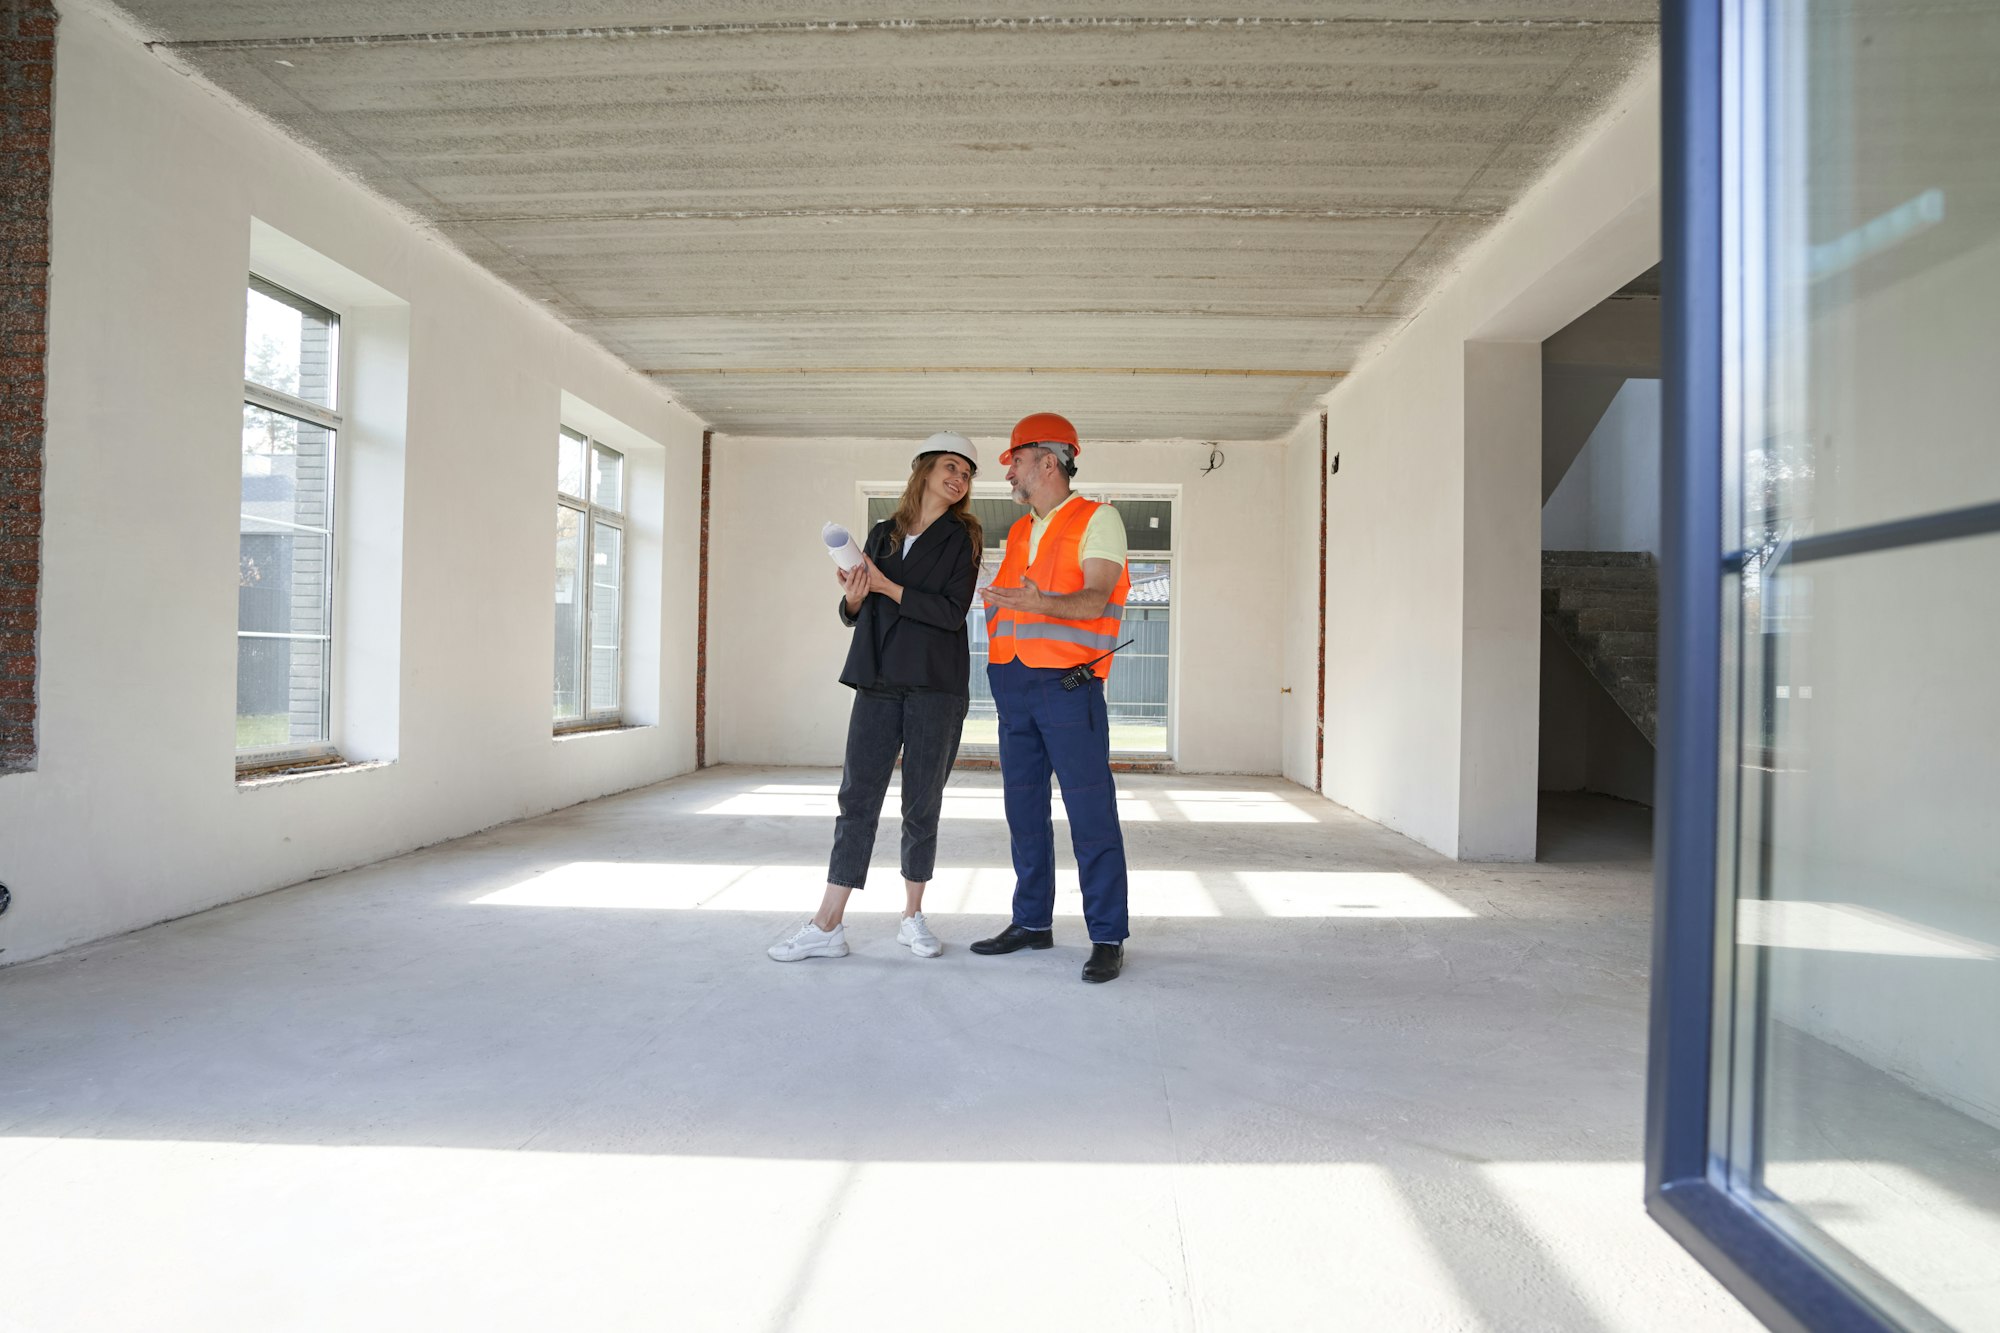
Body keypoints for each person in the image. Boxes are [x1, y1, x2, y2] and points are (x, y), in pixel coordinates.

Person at [768, 432, 984, 963]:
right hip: (878, 679)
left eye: (967, 473)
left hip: (936, 683)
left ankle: (912, 917)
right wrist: (855, 597)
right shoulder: (883, 533)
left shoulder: (966, 536)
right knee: (856, 799)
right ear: (926, 470)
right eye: (951, 467)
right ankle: (828, 923)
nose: (959, 479)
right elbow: (862, 611)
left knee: (920, 803)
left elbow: (951, 613)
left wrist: (887, 588)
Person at [972, 412, 1133, 983]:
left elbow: (1093, 599)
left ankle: (1108, 934)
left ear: (1047, 461)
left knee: (1090, 812)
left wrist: (1033, 603)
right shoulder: (1019, 531)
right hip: (1013, 685)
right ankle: (1032, 922)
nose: (1009, 471)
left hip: (1069, 686)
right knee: (1024, 812)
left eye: (1014, 459)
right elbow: (1010, 601)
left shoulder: (1099, 519)